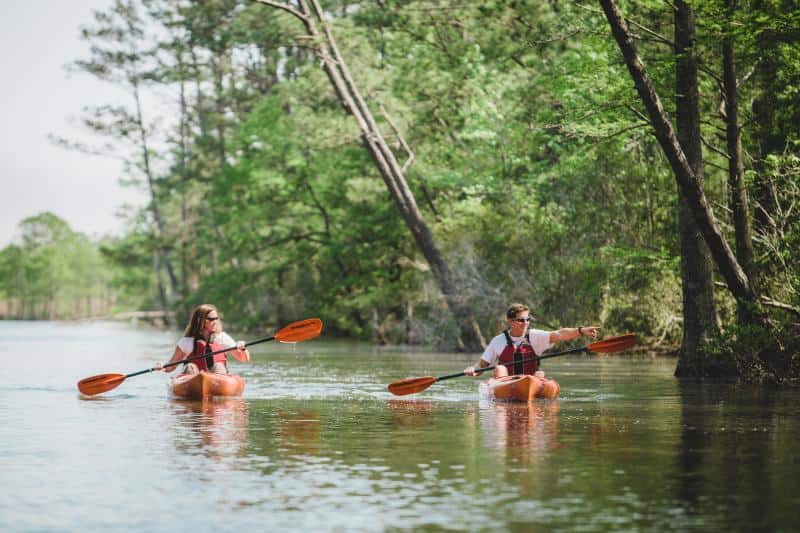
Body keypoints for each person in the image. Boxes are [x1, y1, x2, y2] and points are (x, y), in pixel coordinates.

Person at [464, 303, 600, 379]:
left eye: (528, 319)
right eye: (521, 320)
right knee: (499, 369)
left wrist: (581, 330)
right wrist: (473, 370)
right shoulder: (498, 341)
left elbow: (559, 334)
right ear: (510, 321)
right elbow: (482, 365)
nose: (526, 323)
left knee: (540, 374)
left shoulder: (535, 336)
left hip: (530, 381)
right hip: (504, 383)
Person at [155, 304, 250, 375]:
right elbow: (171, 365)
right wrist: (163, 366)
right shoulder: (186, 342)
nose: (215, 322)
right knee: (190, 367)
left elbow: (244, 359)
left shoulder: (222, 338)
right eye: (211, 319)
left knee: (219, 366)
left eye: (216, 319)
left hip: (217, 377)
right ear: (200, 321)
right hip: (194, 378)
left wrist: (243, 349)